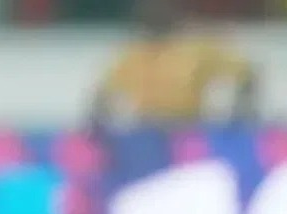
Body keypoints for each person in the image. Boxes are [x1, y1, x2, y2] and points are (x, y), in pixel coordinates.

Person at [89, 0, 258, 131]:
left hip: (186, 129)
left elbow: (245, 72)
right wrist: (99, 127)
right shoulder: (133, 54)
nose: (154, 14)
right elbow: (102, 93)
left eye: (160, 9)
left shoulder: (195, 48)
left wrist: (241, 115)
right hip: (146, 131)